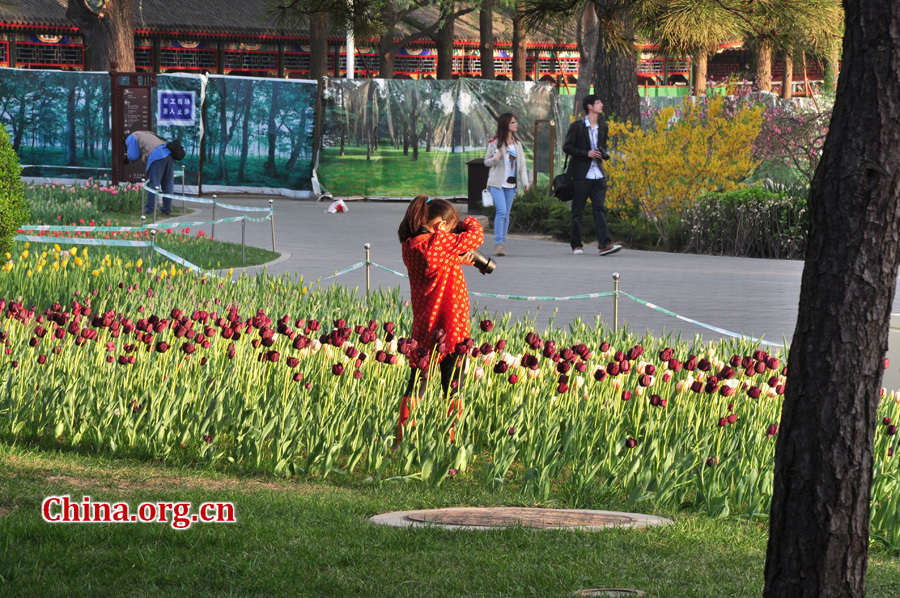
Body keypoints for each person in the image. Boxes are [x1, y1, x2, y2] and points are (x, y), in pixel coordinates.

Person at [396, 195, 484, 442]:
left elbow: (433, 267)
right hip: (451, 324)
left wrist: (455, 258)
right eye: (451, 226)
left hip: (425, 324)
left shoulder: (412, 244)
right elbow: (476, 234)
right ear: (440, 226)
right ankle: (451, 439)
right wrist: (466, 222)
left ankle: (404, 437)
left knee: (417, 383)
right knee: (453, 385)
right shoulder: (438, 241)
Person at [563, 95, 622, 256]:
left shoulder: (603, 126)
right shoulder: (578, 127)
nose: (601, 105)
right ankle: (576, 245)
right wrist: (586, 153)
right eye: (598, 102)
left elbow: (602, 145)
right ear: (590, 106)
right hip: (582, 176)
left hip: (598, 175)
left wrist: (602, 153)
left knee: (600, 209)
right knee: (577, 212)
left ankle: (604, 244)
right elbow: (567, 147)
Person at [484, 112, 529, 257]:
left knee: (507, 215)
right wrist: (496, 158)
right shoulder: (495, 143)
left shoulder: (517, 145)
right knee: (502, 211)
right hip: (497, 183)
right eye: (512, 122)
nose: (516, 124)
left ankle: (502, 242)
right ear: (505, 125)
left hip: (511, 185)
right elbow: (486, 162)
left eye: (516, 122)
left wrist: (525, 182)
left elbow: (521, 166)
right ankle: (499, 244)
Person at [125, 130, 174, 216]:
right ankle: (167, 209)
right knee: (168, 184)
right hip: (168, 154)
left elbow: (133, 156)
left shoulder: (130, 138)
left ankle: (150, 210)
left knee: (154, 184)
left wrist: (127, 156)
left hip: (157, 157)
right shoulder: (144, 133)